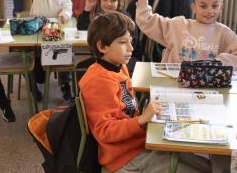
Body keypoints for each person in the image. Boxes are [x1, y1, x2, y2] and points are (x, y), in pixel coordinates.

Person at [78, 12, 210, 172]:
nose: (131, 48)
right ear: (102, 47)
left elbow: (127, 110)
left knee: (204, 165)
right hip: (124, 158)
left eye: (130, 41)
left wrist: (144, 119)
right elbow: (105, 131)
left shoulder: (119, 66)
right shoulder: (98, 81)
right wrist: (142, 119)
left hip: (139, 144)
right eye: (122, 43)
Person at [26, 0, 74, 101]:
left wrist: (64, 16)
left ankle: (65, 85)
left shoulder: (65, 0)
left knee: (65, 54)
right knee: (27, 59)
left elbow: (67, 11)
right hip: (34, 37)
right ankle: (33, 86)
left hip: (53, 38)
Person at [76, 0, 139, 75]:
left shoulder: (124, 20)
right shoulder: (102, 16)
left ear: (119, 2)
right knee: (81, 67)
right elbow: (82, 29)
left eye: (113, 0)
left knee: (86, 69)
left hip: (121, 58)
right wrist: (87, 9)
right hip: (104, 57)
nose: (108, 3)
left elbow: (133, 44)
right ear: (99, 1)